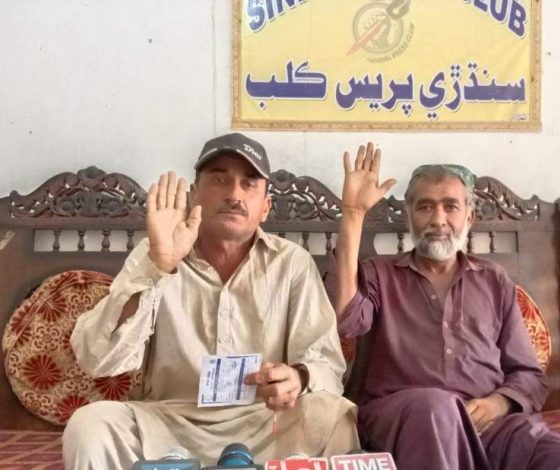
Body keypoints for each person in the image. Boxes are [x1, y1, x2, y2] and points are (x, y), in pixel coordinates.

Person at [64, 133, 359, 468]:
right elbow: (96, 358)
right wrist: (157, 267)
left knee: (334, 415)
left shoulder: (292, 262)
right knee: (89, 426)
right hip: (170, 421)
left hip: (267, 423)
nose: (234, 195)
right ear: (195, 194)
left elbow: (326, 363)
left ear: (265, 207)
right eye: (219, 180)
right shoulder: (155, 254)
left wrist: (298, 378)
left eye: (249, 184)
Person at [327, 143, 560, 469]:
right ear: (408, 216)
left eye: (450, 206)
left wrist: (499, 403)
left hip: (487, 425)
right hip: (408, 419)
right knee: (434, 408)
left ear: (469, 216)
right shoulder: (380, 273)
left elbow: (528, 374)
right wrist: (353, 215)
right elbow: (346, 319)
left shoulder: (493, 279)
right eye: (425, 207)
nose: (438, 219)